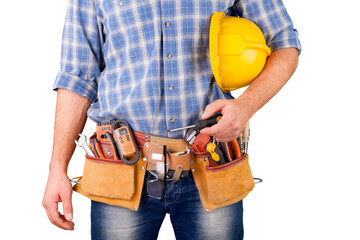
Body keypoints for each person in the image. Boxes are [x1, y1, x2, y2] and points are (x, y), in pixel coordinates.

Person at [43, 0, 301, 239]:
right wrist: (57, 169)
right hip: (120, 169)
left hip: (210, 163)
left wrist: (245, 106)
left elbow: (283, 43)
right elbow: (77, 78)